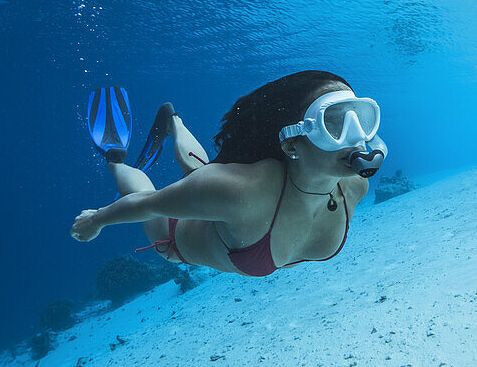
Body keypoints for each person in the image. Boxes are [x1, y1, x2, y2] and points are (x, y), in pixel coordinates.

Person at [70, 71, 387, 277]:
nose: (357, 137)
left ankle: (174, 123)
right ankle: (115, 159)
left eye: (360, 117)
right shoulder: (238, 190)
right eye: (334, 122)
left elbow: (378, 146)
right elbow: (148, 204)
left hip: (217, 197)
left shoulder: (355, 185)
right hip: (175, 234)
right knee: (186, 185)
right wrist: (96, 220)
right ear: (292, 144)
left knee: (202, 173)